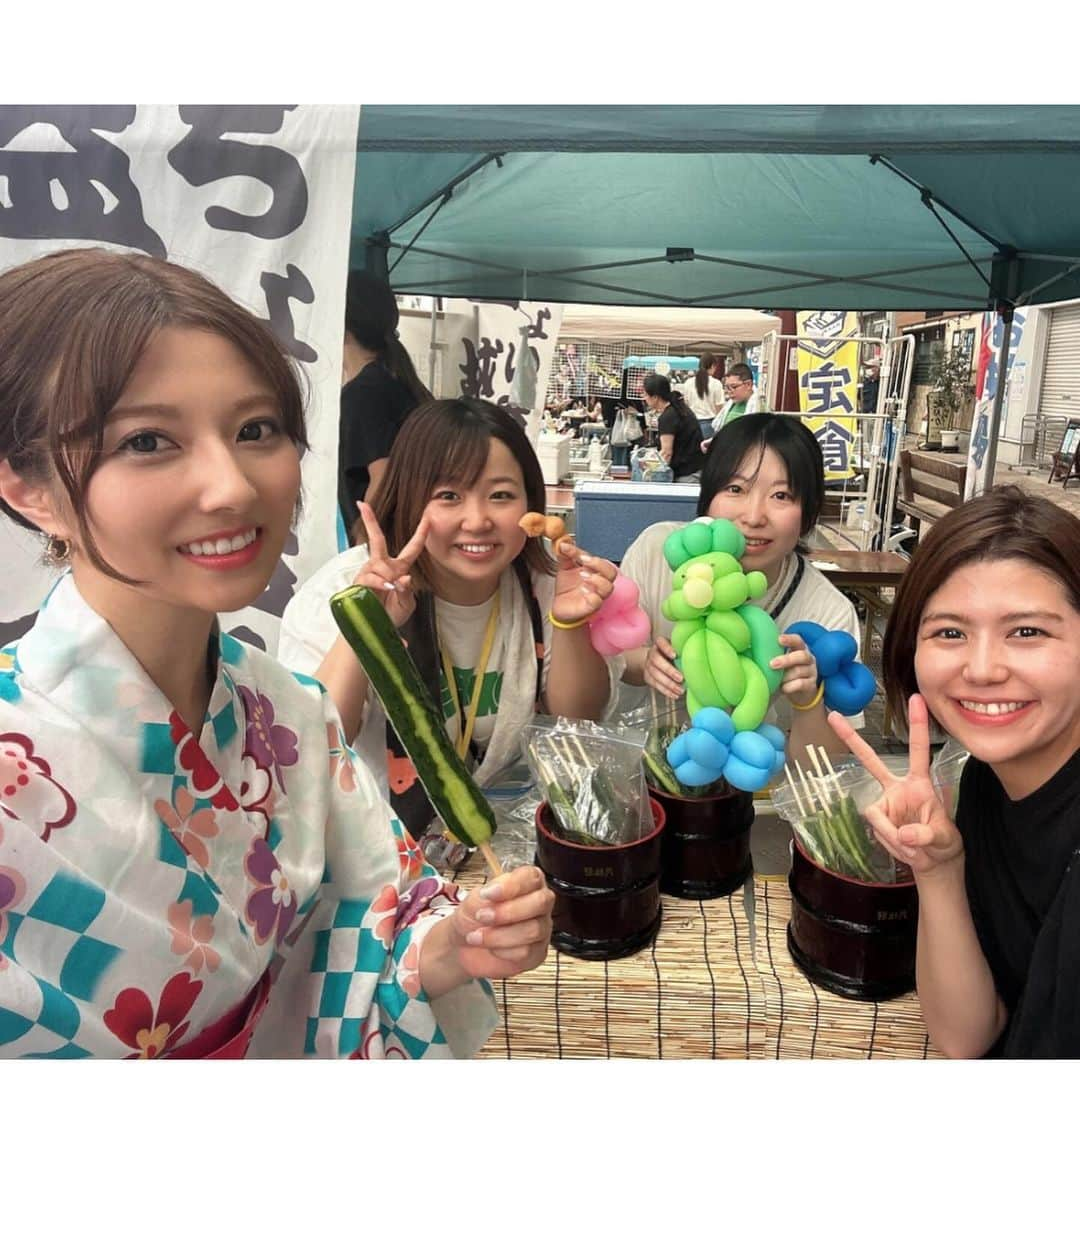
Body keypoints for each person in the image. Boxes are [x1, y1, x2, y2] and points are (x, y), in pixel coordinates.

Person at [0, 248, 553, 1060]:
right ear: (29, 487)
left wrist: (448, 948)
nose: (229, 485)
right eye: (148, 440)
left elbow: (370, 922)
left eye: (256, 429)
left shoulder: (291, 712)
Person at [279, 397, 624, 838]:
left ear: (532, 508)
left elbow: (576, 720)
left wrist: (570, 624)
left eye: (501, 495)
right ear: (408, 497)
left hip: (509, 842)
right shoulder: (341, 593)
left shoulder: (547, 585)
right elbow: (313, 751)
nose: (477, 520)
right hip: (373, 849)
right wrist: (365, 628)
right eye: (448, 496)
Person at [828, 486, 1080, 1059]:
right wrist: (938, 868)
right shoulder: (990, 778)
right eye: (950, 633)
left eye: (1027, 631)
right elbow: (966, 1036)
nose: (983, 669)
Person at [620, 413, 864, 757]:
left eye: (781, 496)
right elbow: (611, 659)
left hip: (752, 785)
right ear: (709, 493)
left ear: (808, 512)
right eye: (735, 489)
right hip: (654, 778)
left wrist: (809, 702)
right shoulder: (657, 550)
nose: (753, 517)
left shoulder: (827, 611)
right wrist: (644, 661)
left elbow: (823, 769)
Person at [337, 269, 431, 527]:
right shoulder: (394, 380)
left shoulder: (363, 393)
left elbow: (383, 479)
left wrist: (365, 540)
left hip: (383, 546)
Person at [641, 372, 703, 483]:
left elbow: (666, 453)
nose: (644, 398)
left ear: (655, 397)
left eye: (645, 394)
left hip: (686, 475)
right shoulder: (678, 408)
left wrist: (651, 472)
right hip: (695, 468)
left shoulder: (668, 417)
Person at [678, 354, 725, 442]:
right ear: (712, 366)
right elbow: (719, 407)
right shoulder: (716, 383)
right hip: (709, 425)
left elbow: (685, 405)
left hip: (691, 424)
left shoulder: (688, 382)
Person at [711, 362, 762, 434]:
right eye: (727, 387)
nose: (729, 392)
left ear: (748, 384)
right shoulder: (729, 406)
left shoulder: (759, 408)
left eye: (734, 387)